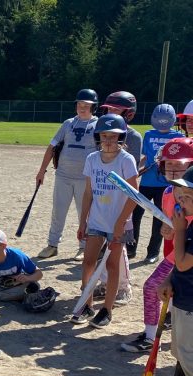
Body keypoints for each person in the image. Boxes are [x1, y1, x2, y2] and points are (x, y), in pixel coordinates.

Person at [121, 137, 193, 353]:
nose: (173, 169)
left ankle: (151, 337)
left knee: (152, 286)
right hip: (175, 251)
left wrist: (177, 230)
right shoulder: (169, 193)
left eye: (179, 165)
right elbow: (170, 225)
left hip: (186, 253)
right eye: (168, 164)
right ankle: (168, 320)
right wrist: (167, 229)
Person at [70, 114, 138, 328]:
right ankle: (86, 303)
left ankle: (107, 309)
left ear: (121, 138)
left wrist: (121, 221)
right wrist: (83, 222)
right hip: (97, 221)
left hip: (119, 223)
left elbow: (133, 194)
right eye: (105, 136)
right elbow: (88, 193)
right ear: (98, 137)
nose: (108, 141)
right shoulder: (92, 159)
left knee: (111, 265)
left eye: (114, 136)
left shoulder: (126, 160)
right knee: (88, 261)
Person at [36, 89, 99, 261]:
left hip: (85, 179)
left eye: (86, 105)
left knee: (84, 214)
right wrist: (42, 170)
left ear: (94, 107)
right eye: (79, 104)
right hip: (63, 175)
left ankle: (83, 247)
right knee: (58, 211)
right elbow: (52, 147)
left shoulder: (98, 125)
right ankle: (52, 245)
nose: (82, 108)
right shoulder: (68, 123)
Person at [156, 167, 193, 376]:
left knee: (189, 356)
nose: (182, 200)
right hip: (183, 299)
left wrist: (179, 230)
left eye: (188, 196)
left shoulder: (187, 227)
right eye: (181, 195)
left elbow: (182, 263)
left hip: (191, 305)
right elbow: (180, 268)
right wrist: (168, 280)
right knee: (181, 352)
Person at [130, 104, 183, 264]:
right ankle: (131, 248)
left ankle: (152, 252)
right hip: (147, 182)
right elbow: (145, 156)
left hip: (165, 185)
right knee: (135, 215)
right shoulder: (148, 134)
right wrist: (138, 168)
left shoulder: (177, 137)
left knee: (159, 218)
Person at [97, 91, 143, 258]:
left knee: (121, 224)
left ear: (128, 113)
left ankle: (124, 249)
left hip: (120, 191)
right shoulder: (101, 132)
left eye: (116, 110)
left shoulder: (133, 137)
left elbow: (132, 170)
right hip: (103, 186)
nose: (110, 113)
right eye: (108, 109)